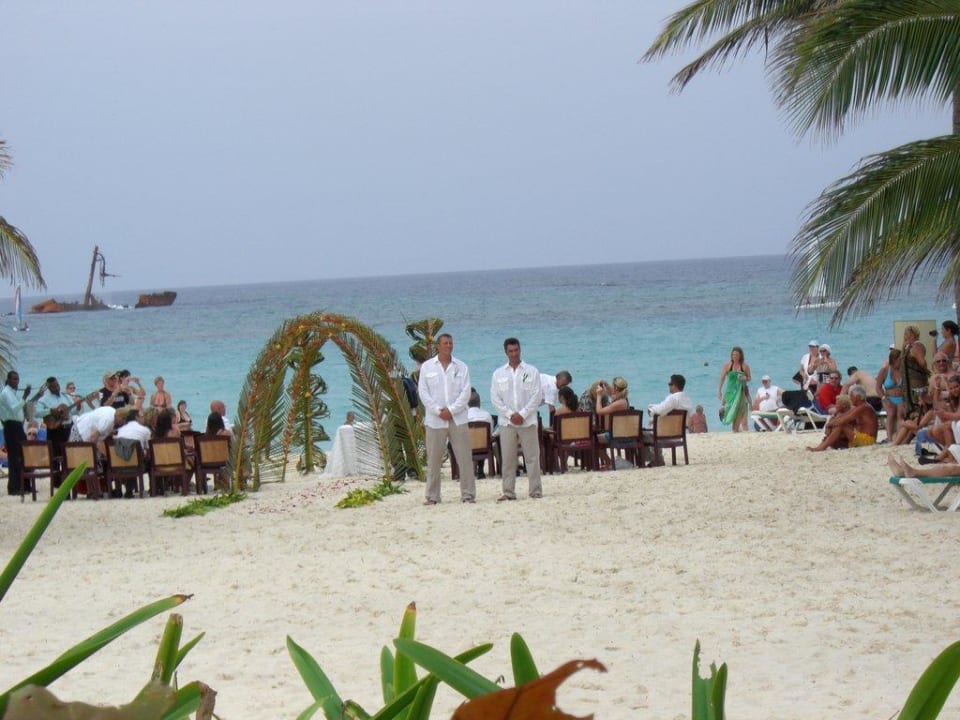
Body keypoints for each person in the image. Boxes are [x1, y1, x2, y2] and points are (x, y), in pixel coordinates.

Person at [417, 332, 475, 505]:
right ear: (438, 346)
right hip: (435, 420)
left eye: (450, 343)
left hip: (458, 419)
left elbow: (466, 393)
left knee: (464, 457)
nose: (448, 346)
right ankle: (433, 496)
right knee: (434, 459)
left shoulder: (461, 367)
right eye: (445, 343)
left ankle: (468, 495)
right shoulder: (427, 367)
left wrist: (451, 410)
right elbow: (423, 392)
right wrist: (437, 410)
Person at [490, 337, 543, 501]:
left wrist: (523, 413)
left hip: (527, 421)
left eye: (516, 350)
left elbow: (537, 395)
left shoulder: (531, 371)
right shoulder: (498, 373)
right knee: (507, 458)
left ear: (520, 350)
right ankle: (508, 492)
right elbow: (495, 398)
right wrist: (510, 414)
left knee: (532, 457)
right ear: (506, 352)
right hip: (507, 423)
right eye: (510, 351)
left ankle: (535, 491)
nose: (514, 354)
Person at [806, 386, 878, 451]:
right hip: (859, 438)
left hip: (867, 440)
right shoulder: (859, 407)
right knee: (833, 439)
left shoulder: (864, 407)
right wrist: (830, 425)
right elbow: (841, 418)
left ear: (858, 397)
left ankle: (820, 448)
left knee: (841, 425)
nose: (850, 398)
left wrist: (828, 425)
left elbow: (841, 421)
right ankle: (823, 445)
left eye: (851, 396)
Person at [1, 370, 30, 495]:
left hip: (17, 426)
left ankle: (24, 486)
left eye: (17, 379)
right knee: (14, 457)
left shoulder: (12, 393)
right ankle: (13, 488)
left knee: (23, 455)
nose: (16, 381)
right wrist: (24, 397)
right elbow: (14, 409)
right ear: (8, 380)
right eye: (14, 379)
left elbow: (19, 410)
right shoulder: (6, 393)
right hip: (11, 427)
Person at [718, 346, 751, 432]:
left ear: (740, 355)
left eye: (736, 354)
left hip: (741, 391)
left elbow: (749, 378)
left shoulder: (745, 366)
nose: (734, 356)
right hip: (730, 391)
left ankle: (736, 428)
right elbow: (722, 378)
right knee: (729, 408)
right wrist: (719, 390)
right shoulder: (728, 366)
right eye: (733, 354)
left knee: (739, 409)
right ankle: (723, 413)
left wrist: (745, 378)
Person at [902, 325, 931, 419]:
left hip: (916, 383)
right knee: (911, 407)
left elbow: (922, 362)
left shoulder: (917, 346)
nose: (905, 335)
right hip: (909, 383)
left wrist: (925, 370)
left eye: (906, 333)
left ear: (912, 334)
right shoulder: (909, 347)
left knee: (918, 406)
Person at [877, 346, 904, 440]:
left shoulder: (903, 371)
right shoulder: (885, 370)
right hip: (888, 398)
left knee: (900, 413)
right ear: (894, 360)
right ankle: (889, 437)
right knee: (891, 413)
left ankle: (898, 437)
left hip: (902, 398)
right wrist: (884, 398)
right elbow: (878, 387)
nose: (901, 362)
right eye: (900, 360)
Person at [467, 388, 494, 478]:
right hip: (484, 447)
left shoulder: (464, 418)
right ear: (479, 403)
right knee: (485, 442)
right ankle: (481, 468)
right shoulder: (487, 416)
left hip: (468, 448)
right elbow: (491, 434)